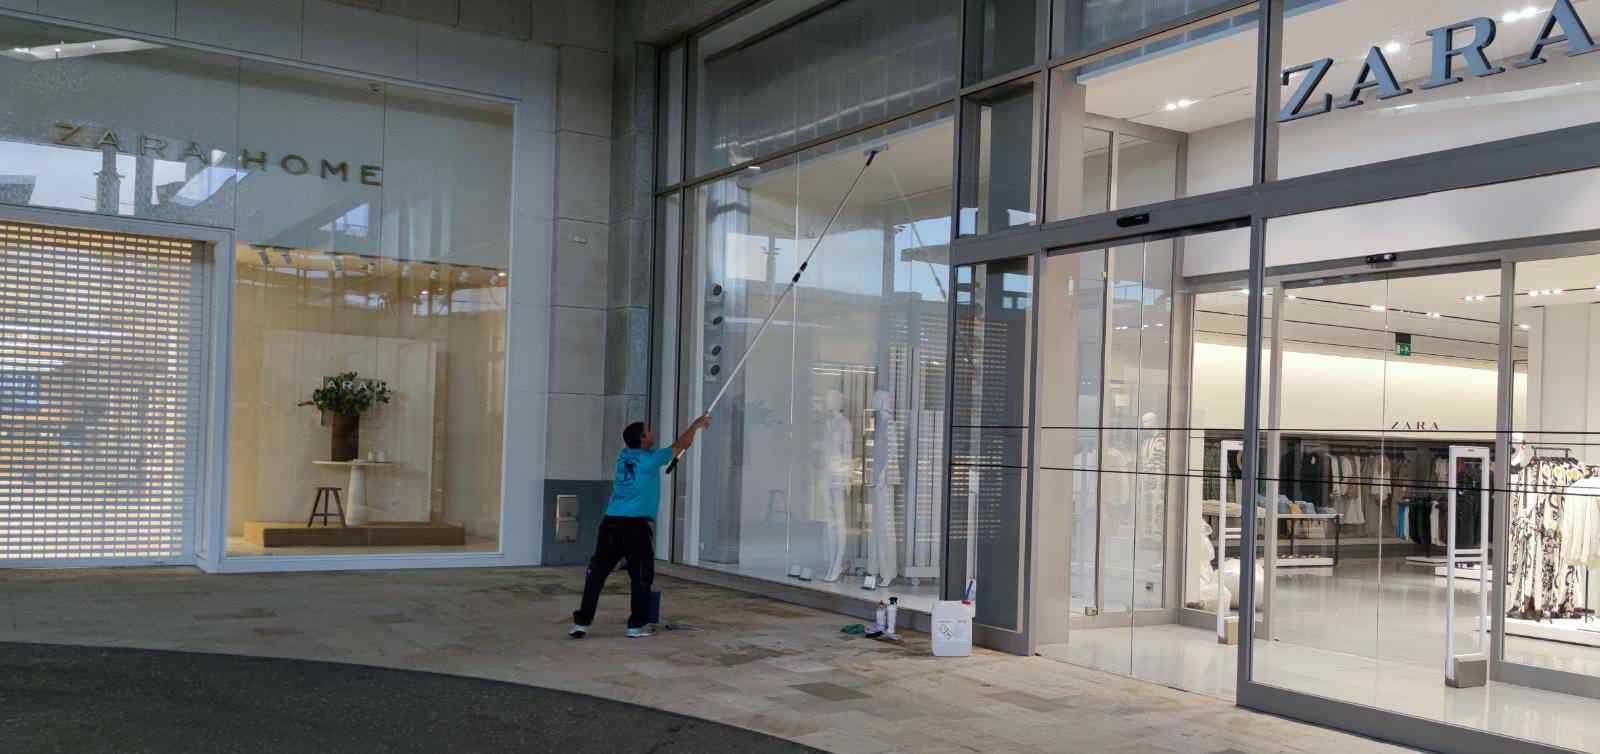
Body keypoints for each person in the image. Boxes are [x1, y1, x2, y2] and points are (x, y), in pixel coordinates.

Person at [570, 415, 709, 639]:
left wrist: (683, 442)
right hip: (635, 526)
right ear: (643, 439)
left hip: (611, 523)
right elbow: (682, 444)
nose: (652, 433)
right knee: (641, 575)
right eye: (648, 431)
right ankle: (636, 625)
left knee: (597, 573)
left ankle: (581, 623)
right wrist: (696, 425)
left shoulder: (624, 456)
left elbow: (679, 446)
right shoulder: (651, 459)